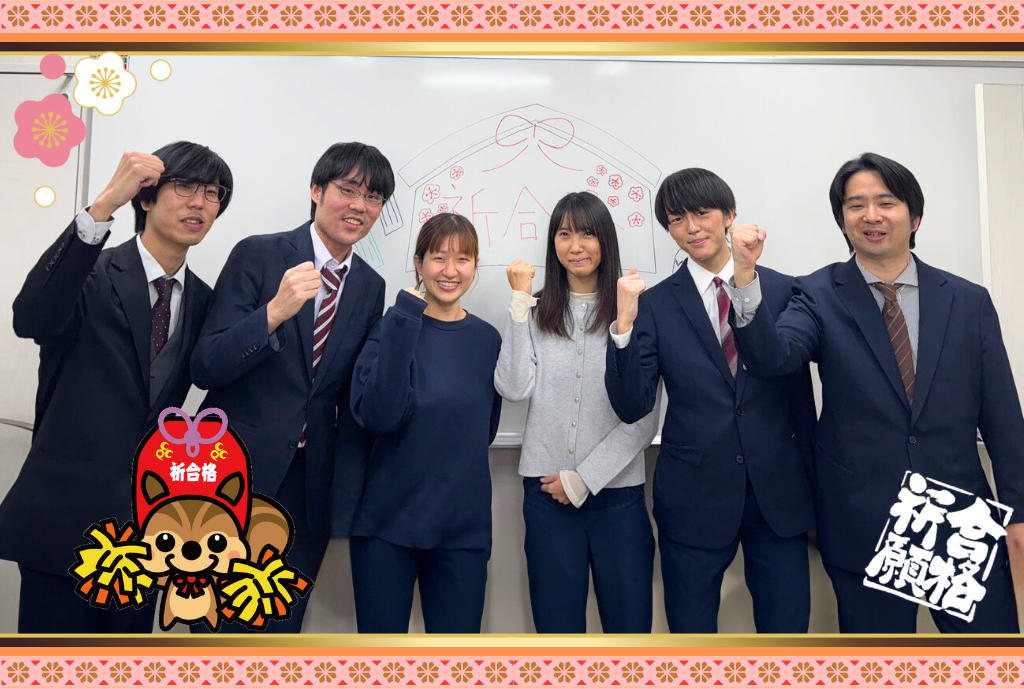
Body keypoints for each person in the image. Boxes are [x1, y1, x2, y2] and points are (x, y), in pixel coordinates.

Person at [730, 152, 1024, 633]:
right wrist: (745, 279)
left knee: (984, 661)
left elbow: (1002, 415)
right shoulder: (817, 293)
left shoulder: (967, 299)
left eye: (886, 203)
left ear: (915, 217)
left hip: (958, 517)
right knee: (880, 666)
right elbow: (772, 358)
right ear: (843, 220)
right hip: (864, 517)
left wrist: (1018, 511)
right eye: (856, 205)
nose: (871, 215)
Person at [0, 143, 232, 632]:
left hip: (143, 539)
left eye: (213, 193)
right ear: (145, 198)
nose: (199, 202)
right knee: (53, 668)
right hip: (61, 523)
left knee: (125, 668)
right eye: (185, 186)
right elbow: (30, 318)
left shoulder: (207, 302)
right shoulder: (90, 271)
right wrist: (103, 205)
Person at [189, 142, 394, 633]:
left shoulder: (370, 285)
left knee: (282, 627)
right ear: (316, 190)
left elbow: (346, 398)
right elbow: (205, 366)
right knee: (218, 629)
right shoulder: (259, 254)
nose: (359, 206)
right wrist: (273, 314)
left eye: (373, 197)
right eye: (348, 190)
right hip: (233, 475)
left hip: (309, 487)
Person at [604, 168, 816, 633]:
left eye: (702, 213)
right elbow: (632, 405)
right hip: (693, 498)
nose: (692, 228)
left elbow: (798, 394)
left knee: (786, 638)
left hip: (778, 496)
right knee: (691, 641)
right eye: (676, 220)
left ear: (729, 215)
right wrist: (622, 328)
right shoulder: (655, 304)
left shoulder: (785, 290)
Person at [493, 192, 657, 633]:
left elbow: (644, 416)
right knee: (557, 634)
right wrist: (519, 302)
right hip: (547, 494)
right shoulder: (537, 311)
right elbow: (513, 388)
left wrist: (584, 478)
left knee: (629, 632)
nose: (576, 246)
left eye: (587, 233)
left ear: (606, 240)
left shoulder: (635, 312)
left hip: (618, 496)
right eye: (564, 234)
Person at [349, 213, 502, 633]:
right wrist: (404, 319)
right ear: (418, 263)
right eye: (438, 258)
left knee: (455, 661)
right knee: (381, 661)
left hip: (462, 530)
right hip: (386, 526)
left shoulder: (488, 340)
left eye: (462, 259)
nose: (450, 271)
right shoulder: (391, 326)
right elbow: (379, 415)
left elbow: (484, 431)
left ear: (475, 266)